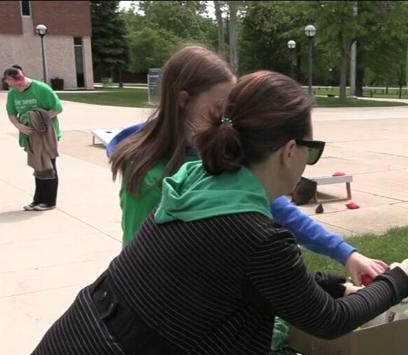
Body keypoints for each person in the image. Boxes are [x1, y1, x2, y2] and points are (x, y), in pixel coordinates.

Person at [8, 70, 408, 355]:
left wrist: (336, 283)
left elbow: (244, 280)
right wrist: (398, 281)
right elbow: (326, 320)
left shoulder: (194, 184)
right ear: (289, 151)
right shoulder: (254, 234)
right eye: (312, 151)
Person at [109, 45, 385, 284]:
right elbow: (141, 269)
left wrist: (346, 253)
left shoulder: (217, 153)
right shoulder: (149, 176)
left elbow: (275, 207)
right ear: (183, 101)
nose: (229, 121)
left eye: (232, 110)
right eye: (220, 109)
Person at [3, 66, 64, 211]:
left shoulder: (41, 88)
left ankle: (49, 201)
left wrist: (38, 119)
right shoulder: (12, 93)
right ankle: (38, 200)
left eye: (20, 80)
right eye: (13, 83)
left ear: (23, 76)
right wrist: (20, 126)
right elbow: (11, 113)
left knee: (48, 166)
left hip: (46, 135)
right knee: (37, 166)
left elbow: (58, 108)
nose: (18, 85)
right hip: (29, 135)